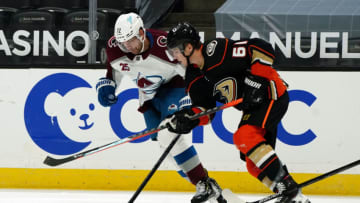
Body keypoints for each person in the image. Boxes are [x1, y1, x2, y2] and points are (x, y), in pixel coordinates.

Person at [164, 22, 311, 203]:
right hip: (254, 107)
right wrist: (190, 118)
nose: (174, 56)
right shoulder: (194, 78)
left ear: (188, 46)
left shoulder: (216, 51)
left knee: (244, 137)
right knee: (252, 163)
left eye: (175, 51)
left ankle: (287, 184)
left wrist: (256, 80)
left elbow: (261, 47)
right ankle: (295, 198)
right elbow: (206, 111)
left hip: (271, 92)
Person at [95, 13, 227, 203]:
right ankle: (204, 181)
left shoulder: (165, 45)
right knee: (165, 145)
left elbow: (191, 70)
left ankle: (202, 183)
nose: (128, 47)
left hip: (175, 87)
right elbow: (113, 71)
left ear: (141, 32)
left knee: (169, 132)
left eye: (131, 41)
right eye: (123, 43)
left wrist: (192, 97)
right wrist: (107, 86)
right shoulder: (115, 48)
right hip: (148, 96)